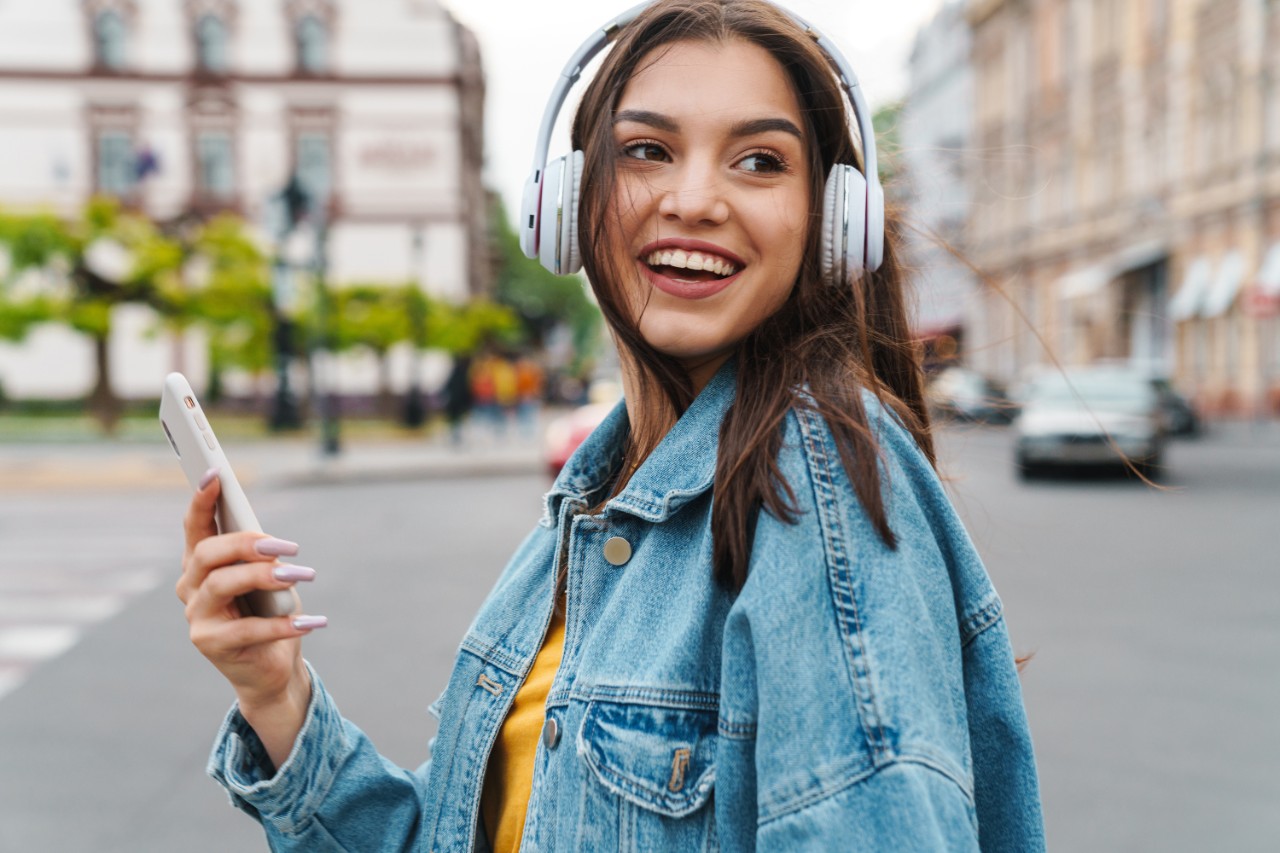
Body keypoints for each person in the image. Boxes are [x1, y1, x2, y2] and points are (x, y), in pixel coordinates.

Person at [176, 1, 1045, 850]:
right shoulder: (600, 500)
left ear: (831, 219)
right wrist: (279, 693)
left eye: (759, 161)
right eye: (647, 151)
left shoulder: (814, 487)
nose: (695, 198)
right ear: (567, 201)